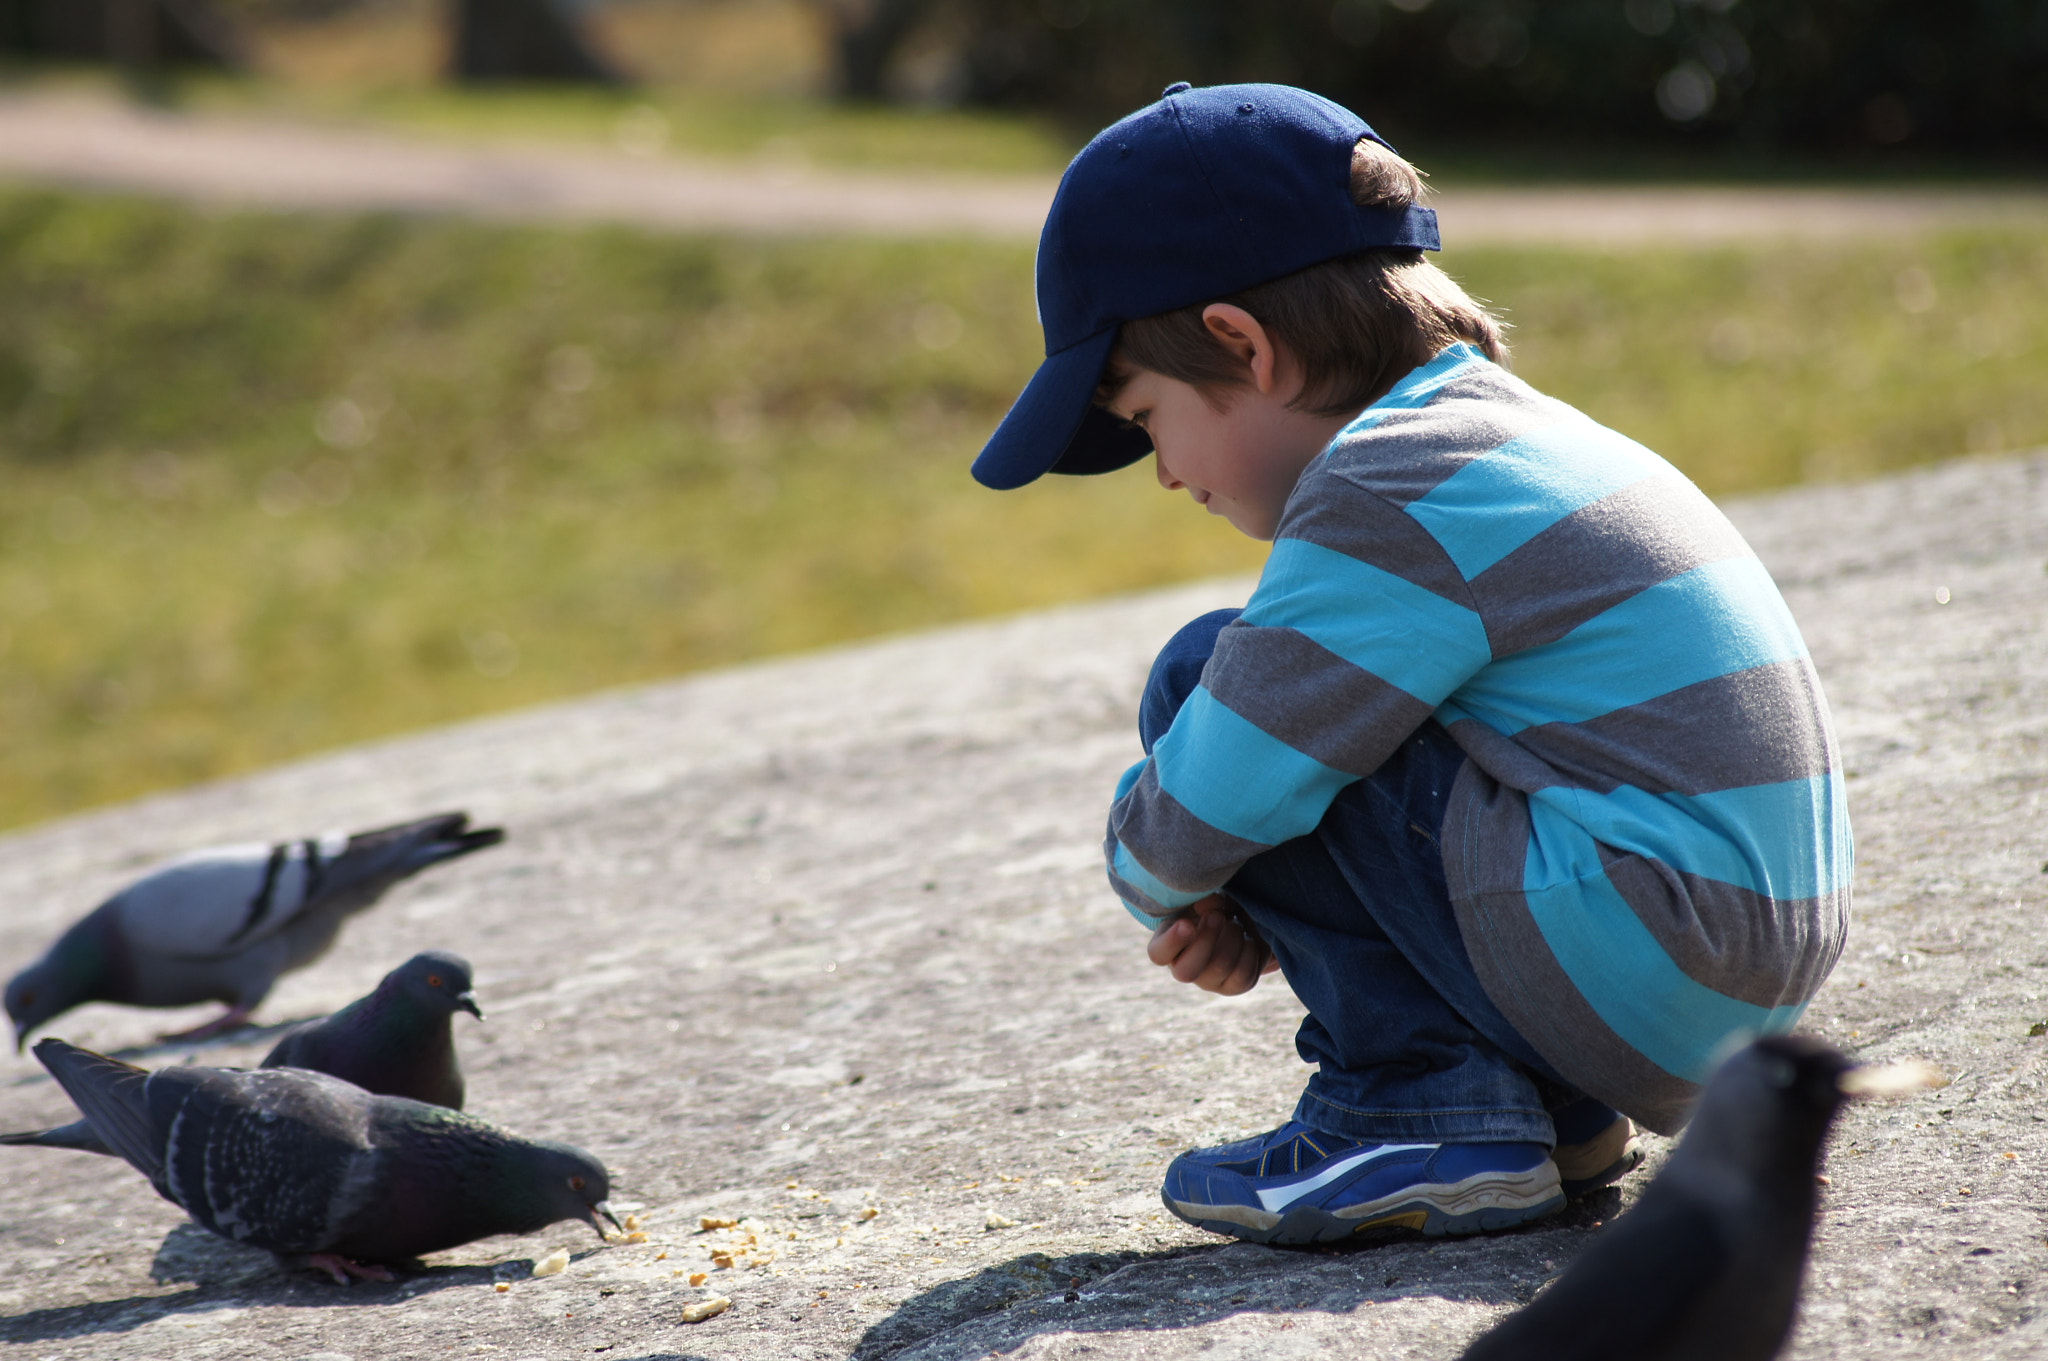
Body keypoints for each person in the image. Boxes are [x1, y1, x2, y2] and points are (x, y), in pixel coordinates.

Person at [971, 82, 1851, 1247]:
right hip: (1717, 972)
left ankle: (1419, 1110)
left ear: (1240, 344)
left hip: (1651, 949)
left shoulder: (1386, 490)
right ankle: (1543, 1105)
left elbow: (1209, 793)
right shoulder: (1503, 433)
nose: (1163, 471)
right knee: (1302, 708)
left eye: (1143, 419)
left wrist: (1165, 876)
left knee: (1210, 679)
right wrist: (1249, 878)